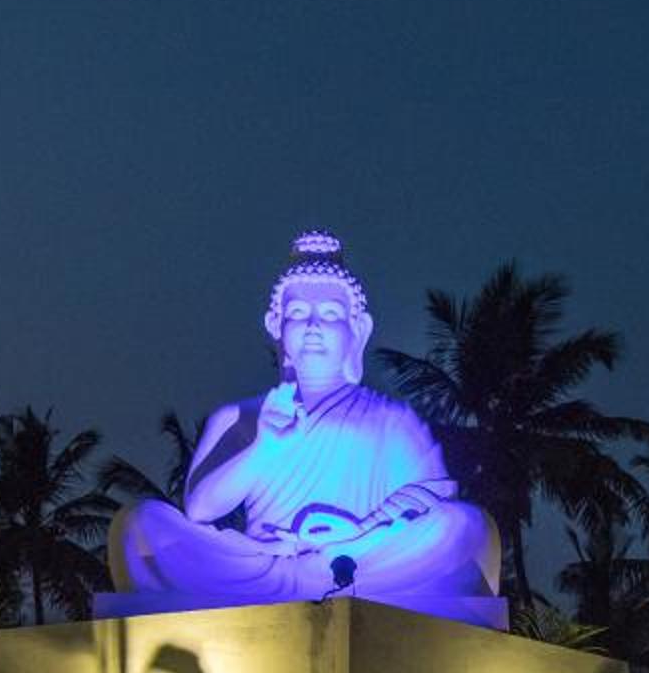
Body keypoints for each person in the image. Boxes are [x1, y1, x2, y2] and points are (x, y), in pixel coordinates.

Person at [108, 231, 500, 615]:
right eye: (298, 314)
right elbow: (200, 509)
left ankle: (327, 572)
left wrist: (358, 532)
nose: (313, 326)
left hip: (356, 561)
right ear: (275, 324)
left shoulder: (391, 419)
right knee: (142, 526)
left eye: (330, 315)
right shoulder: (240, 417)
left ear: (357, 329)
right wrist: (263, 448)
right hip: (261, 565)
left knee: (465, 526)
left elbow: (432, 499)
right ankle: (306, 579)